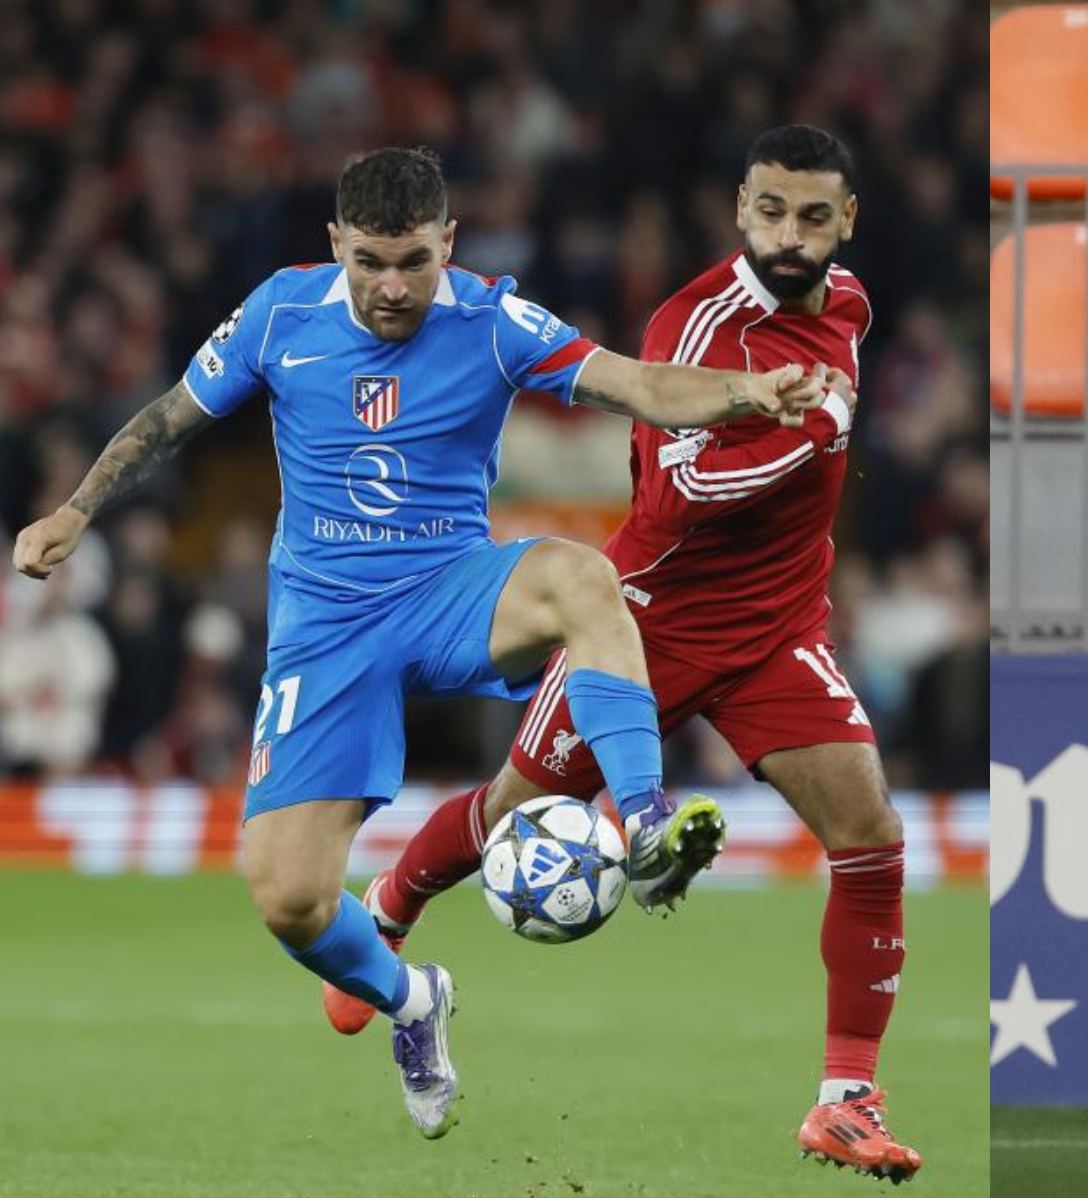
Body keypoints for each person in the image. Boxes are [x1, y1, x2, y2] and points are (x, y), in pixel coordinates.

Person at [9, 146, 821, 1141]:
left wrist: (749, 394)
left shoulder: (492, 319)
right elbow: (170, 419)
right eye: (371, 263)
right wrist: (78, 509)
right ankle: (412, 1000)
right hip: (326, 625)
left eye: (412, 263)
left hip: (450, 588)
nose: (392, 287)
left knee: (583, 577)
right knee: (290, 899)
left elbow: (636, 386)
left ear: (448, 243)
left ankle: (645, 820)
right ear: (336, 247)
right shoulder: (280, 313)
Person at [322, 126, 921, 1183]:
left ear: (846, 222)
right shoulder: (694, 326)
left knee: (870, 835)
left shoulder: (854, 309)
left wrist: (816, 434)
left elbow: (823, 419)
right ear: (741, 208)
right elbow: (678, 491)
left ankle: (845, 1101)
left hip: (778, 629)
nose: (790, 234)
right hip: (647, 621)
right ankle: (391, 909)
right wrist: (804, 438)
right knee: (510, 803)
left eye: (813, 216)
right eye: (771, 211)